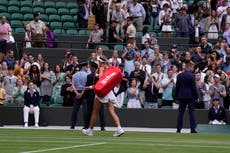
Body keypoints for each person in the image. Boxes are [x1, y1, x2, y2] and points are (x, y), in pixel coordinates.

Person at [82, 57, 125, 137]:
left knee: (95, 112)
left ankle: (90, 130)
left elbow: (101, 81)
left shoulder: (101, 68)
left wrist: (90, 86)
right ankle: (119, 128)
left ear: (100, 62)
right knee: (112, 111)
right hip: (109, 92)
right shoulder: (108, 67)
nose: (97, 62)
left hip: (102, 93)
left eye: (98, 61)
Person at [175, 61, 199, 133]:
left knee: (180, 113)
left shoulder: (179, 75)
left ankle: (178, 129)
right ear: (189, 67)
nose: (193, 69)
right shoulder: (192, 76)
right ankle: (192, 129)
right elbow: (194, 88)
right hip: (190, 97)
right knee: (191, 113)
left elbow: (177, 88)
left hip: (182, 96)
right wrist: (196, 97)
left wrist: (177, 97)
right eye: (192, 67)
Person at [84, 61, 105, 130]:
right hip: (98, 95)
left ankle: (86, 126)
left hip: (91, 95)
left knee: (89, 111)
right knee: (100, 111)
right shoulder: (100, 76)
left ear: (92, 68)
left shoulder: (89, 76)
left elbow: (86, 87)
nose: (89, 68)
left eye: (90, 67)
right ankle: (102, 127)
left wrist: (85, 96)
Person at [70, 62, 88, 129]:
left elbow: (73, 85)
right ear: (84, 67)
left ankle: (72, 125)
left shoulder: (74, 75)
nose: (87, 68)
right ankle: (85, 125)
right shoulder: (87, 75)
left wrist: (77, 93)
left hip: (77, 92)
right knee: (85, 110)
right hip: (84, 92)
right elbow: (86, 86)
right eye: (86, 67)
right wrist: (82, 93)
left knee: (75, 109)